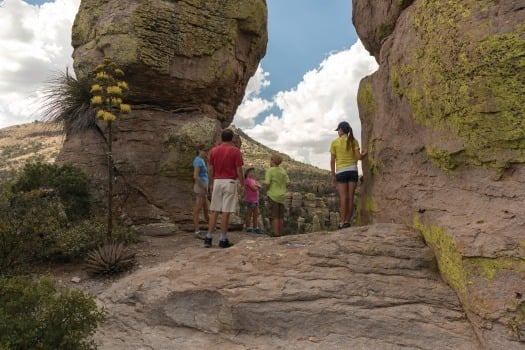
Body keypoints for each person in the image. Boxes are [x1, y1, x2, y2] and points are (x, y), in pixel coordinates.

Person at [204, 129, 244, 248]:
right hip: (230, 181)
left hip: (217, 181)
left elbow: (210, 169)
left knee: (214, 210)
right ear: (232, 138)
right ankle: (222, 239)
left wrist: (211, 183)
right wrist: (242, 184)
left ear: (221, 138)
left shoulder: (214, 151)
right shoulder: (235, 151)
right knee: (226, 212)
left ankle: (208, 237)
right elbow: (239, 170)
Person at [329, 121, 367, 229]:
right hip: (353, 171)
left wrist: (333, 174)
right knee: (350, 197)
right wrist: (364, 153)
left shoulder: (334, 142)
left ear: (341, 130)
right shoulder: (353, 141)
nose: (338, 132)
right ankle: (347, 221)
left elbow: (332, 161)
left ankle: (341, 222)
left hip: (341, 172)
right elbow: (359, 157)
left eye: (338, 130)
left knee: (343, 198)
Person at [264, 153, 289, 237]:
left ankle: (276, 234)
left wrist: (267, 189)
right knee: (281, 216)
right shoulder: (283, 171)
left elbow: (267, 184)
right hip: (282, 197)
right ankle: (281, 233)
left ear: (273, 161)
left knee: (274, 216)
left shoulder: (270, 171)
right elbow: (288, 183)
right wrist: (282, 189)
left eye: (270, 160)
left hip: (273, 196)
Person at [192, 144, 209, 239]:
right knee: (197, 210)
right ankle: (197, 231)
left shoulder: (202, 160)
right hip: (201, 188)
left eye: (207, 151)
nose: (206, 152)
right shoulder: (198, 160)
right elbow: (195, 176)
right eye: (204, 151)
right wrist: (203, 186)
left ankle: (211, 227)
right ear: (199, 150)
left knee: (206, 210)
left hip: (203, 188)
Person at [244, 167, 262, 234]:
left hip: (256, 199)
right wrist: (258, 186)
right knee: (249, 214)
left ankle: (255, 227)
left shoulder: (253, 180)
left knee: (255, 214)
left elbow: (259, 186)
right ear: (248, 173)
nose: (253, 173)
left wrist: (257, 186)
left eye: (253, 172)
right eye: (251, 172)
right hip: (250, 199)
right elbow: (254, 188)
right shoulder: (247, 180)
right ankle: (248, 227)